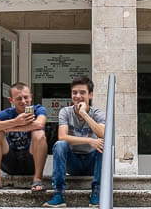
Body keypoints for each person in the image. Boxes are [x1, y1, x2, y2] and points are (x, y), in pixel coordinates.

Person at [44, 75, 105, 208]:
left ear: (91, 95)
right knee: (60, 145)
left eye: (82, 92)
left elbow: (103, 134)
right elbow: (62, 137)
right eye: (74, 92)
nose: (77, 96)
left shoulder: (97, 113)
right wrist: (89, 140)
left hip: (92, 163)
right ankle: (59, 194)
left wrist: (84, 114)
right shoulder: (65, 112)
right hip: (73, 162)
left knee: (103, 145)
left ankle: (97, 192)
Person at [0, 82, 48, 193]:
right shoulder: (7, 114)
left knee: (39, 133)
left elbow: (39, 124)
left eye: (26, 97)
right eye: (18, 99)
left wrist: (12, 128)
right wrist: (15, 121)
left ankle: (38, 179)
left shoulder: (38, 109)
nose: (23, 101)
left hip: (31, 161)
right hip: (10, 162)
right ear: (11, 100)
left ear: (30, 96)